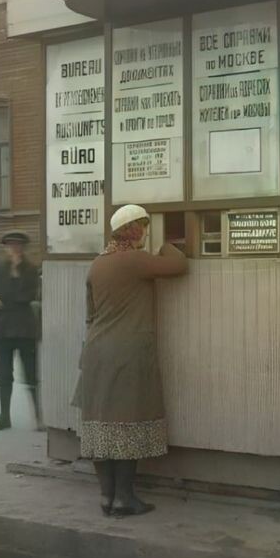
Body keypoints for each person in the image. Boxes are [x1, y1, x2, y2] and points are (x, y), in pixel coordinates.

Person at [74, 204, 188, 517]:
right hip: (127, 350)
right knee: (127, 421)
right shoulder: (135, 259)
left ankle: (106, 497)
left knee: (99, 422)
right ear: (134, 229)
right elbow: (178, 265)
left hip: (96, 351)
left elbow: (90, 312)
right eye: (144, 226)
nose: (146, 233)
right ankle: (125, 498)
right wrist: (166, 242)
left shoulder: (98, 263)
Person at [0, 231, 42, 433]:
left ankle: (38, 417)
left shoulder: (31, 270)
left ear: (23, 248)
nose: (14, 249)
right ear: (5, 248)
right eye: (10, 246)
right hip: (2, 329)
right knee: (3, 376)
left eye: (18, 246)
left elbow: (28, 295)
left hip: (25, 328)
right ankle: (4, 417)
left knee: (31, 374)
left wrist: (6, 296)